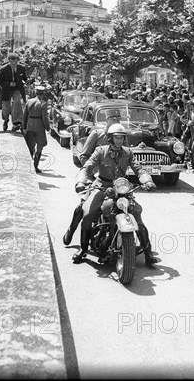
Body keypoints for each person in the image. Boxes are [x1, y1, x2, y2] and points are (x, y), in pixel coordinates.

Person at [72, 124, 158, 266]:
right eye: (116, 138)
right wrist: (81, 181)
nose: (119, 141)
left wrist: (147, 180)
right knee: (87, 213)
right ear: (110, 138)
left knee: (136, 213)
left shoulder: (128, 152)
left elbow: (139, 169)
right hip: (102, 186)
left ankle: (148, 253)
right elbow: (87, 167)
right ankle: (83, 249)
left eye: (121, 138)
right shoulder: (101, 151)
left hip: (122, 188)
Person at [63, 109, 123, 246]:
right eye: (113, 118)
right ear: (107, 120)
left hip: (114, 180)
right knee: (84, 205)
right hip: (93, 175)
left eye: (118, 119)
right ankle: (71, 230)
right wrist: (94, 172)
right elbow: (84, 155)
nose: (116, 121)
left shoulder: (121, 134)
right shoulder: (97, 133)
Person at [0, 52, 28, 132]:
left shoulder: (22, 68)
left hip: (17, 89)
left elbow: (24, 78)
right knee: (6, 107)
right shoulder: (3, 69)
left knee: (17, 102)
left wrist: (26, 82)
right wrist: (9, 83)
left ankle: (16, 122)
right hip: (6, 90)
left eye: (16, 63)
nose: (14, 64)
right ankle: (6, 120)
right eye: (13, 63)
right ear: (9, 61)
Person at [23, 85, 51, 174]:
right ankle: (35, 167)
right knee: (40, 147)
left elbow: (25, 115)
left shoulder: (29, 101)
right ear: (43, 94)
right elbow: (45, 118)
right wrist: (47, 128)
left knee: (30, 147)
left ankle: (29, 166)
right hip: (39, 127)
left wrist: (24, 127)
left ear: (35, 93)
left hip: (30, 125)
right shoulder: (43, 103)